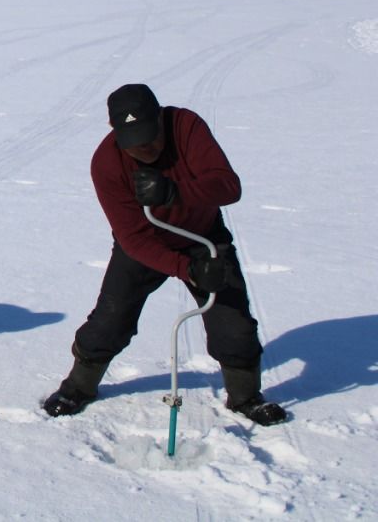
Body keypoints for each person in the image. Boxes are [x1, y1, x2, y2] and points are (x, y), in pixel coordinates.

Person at [43, 84, 286, 426]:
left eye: (151, 136)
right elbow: (133, 237)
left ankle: (246, 398)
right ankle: (78, 387)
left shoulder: (186, 127)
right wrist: (187, 269)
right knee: (109, 321)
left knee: (234, 325)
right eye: (135, 142)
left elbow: (229, 186)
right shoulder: (107, 163)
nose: (147, 148)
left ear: (160, 117)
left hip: (204, 238)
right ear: (116, 132)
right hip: (146, 243)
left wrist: (177, 191)